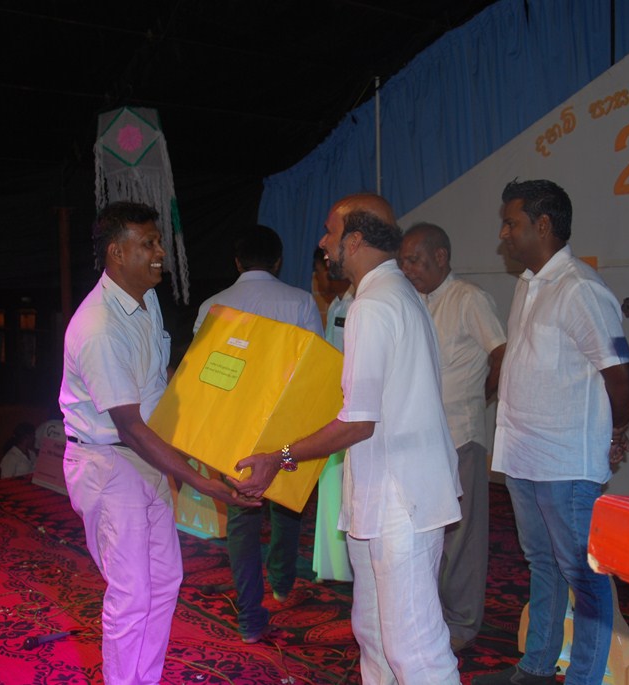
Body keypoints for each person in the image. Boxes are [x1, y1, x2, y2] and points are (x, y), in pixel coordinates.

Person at [232, 194, 462, 685]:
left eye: (330, 232)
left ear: (354, 241)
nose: (322, 242)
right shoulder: (390, 295)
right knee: (374, 637)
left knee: (415, 650)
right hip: (385, 494)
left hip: (402, 500)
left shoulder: (375, 305)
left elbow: (359, 422)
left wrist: (281, 456)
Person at [59, 200, 255, 685]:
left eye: (159, 241)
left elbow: (157, 386)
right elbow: (129, 426)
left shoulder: (145, 303)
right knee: (131, 594)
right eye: (148, 243)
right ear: (116, 253)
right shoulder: (100, 326)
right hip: (109, 463)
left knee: (165, 580)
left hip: (143, 456)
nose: (160, 252)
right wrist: (200, 481)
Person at [474, 180, 629, 685]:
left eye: (511, 223)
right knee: (542, 565)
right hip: (524, 457)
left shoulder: (581, 289)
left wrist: (613, 431)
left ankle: (584, 678)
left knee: (583, 576)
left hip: (566, 462)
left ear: (542, 225)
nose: (504, 234)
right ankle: (537, 668)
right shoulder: (529, 283)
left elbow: (621, 376)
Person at [192, 224, 323, 643]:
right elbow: (313, 373)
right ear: (278, 261)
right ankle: (282, 581)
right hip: (284, 433)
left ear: (237, 262)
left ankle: (250, 616)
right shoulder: (301, 302)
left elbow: (202, 377)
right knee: (287, 506)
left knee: (242, 519)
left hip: (233, 433)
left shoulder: (212, 306)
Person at [399, 222, 507, 651]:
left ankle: (461, 625)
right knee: (427, 534)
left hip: (460, 436)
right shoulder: (413, 302)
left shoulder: (468, 298)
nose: (408, 270)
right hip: (421, 440)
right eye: (403, 262)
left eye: (415, 260)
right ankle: (432, 617)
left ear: (441, 256)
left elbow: (502, 354)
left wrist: (479, 397)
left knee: (461, 537)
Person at [311, 247, 355, 583]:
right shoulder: (337, 305)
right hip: (330, 409)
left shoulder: (356, 305)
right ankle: (333, 568)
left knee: (346, 491)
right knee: (331, 490)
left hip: (351, 415)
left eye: (320, 270)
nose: (318, 278)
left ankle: (347, 568)